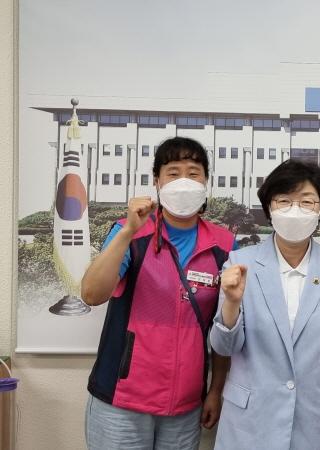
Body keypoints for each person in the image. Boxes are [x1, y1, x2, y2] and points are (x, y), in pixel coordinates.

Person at [81, 137, 237, 450]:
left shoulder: (224, 245)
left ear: (206, 182)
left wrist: (216, 389)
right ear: (157, 181)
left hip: (185, 406)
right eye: (173, 172)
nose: (183, 180)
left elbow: (225, 328)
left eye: (193, 173)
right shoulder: (130, 231)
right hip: (122, 400)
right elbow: (92, 294)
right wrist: (127, 232)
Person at [210, 159, 320, 450]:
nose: (295, 210)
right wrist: (231, 303)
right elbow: (223, 347)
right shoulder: (241, 264)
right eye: (284, 200)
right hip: (250, 422)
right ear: (269, 208)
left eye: (307, 201)